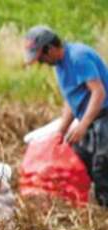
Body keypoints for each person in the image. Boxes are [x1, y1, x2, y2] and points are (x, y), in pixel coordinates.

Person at [25, 25, 108, 207]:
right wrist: (61, 131)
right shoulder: (60, 66)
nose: (42, 62)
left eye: (42, 58)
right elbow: (72, 100)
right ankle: (97, 203)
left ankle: (105, 214)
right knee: (82, 159)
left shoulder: (78, 57)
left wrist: (83, 125)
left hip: (104, 115)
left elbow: (98, 92)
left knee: (102, 163)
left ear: (50, 48)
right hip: (91, 116)